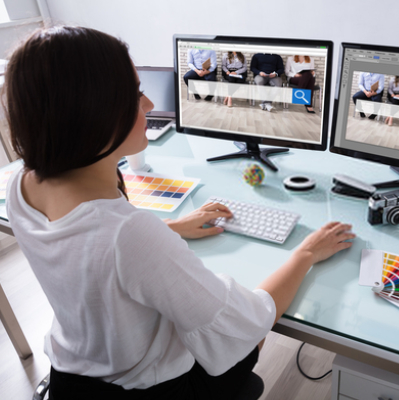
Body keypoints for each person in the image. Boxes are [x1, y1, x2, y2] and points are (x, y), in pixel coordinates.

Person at [2, 26, 355, 399]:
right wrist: (306, 253)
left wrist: (170, 227)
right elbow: (241, 325)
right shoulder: (129, 235)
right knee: (245, 338)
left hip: (70, 378)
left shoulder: (21, 185)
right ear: (93, 112)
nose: (150, 107)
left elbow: (89, 251)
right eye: (136, 95)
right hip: (150, 389)